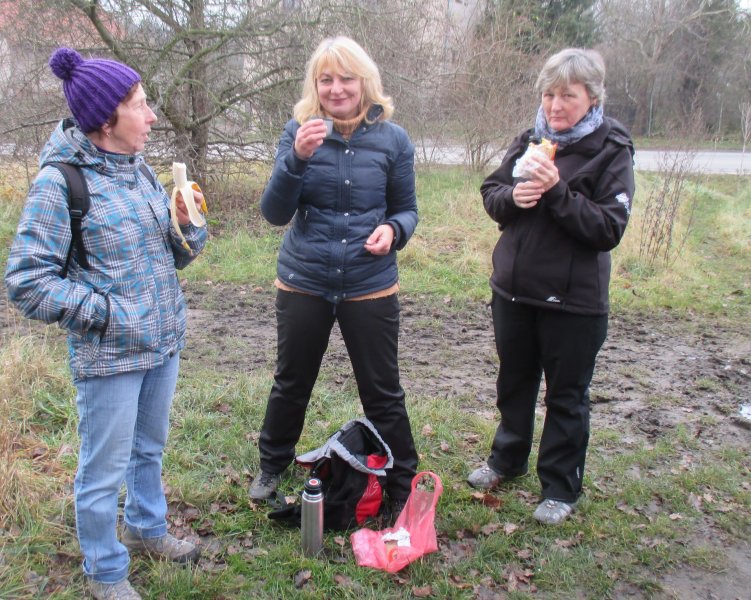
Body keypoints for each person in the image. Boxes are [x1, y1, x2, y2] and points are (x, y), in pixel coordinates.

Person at [4, 48, 208, 599]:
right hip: (111, 358)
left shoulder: (138, 171)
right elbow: (25, 280)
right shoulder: (60, 184)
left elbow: (172, 255)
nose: (152, 116)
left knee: (149, 449)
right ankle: (105, 572)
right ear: (105, 120)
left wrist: (189, 229)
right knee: (101, 472)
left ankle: (146, 528)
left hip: (162, 344)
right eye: (141, 106)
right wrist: (110, 314)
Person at [251, 36, 419, 518]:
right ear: (315, 85)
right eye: (326, 79)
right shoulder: (298, 131)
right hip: (305, 280)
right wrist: (296, 159)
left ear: (365, 82)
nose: (337, 88)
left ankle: (403, 478)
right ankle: (271, 464)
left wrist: (393, 229)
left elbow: (407, 209)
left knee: (382, 388)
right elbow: (274, 212)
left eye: (346, 78)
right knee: (291, 380)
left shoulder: (393, 139)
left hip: (370, 284)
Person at [468, 48, 635, 525]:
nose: (556, 105)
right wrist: (514, 197)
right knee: (514, 382)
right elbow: (491, 193)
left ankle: (561, 486)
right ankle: (507, 459)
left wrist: (558, 190)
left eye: (568, 96)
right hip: (514, 292)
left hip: (574, 302)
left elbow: (608, 228)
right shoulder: (530, 139)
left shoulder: (611, 149)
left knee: (566, 396)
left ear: (592, 98)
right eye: (549, 94)